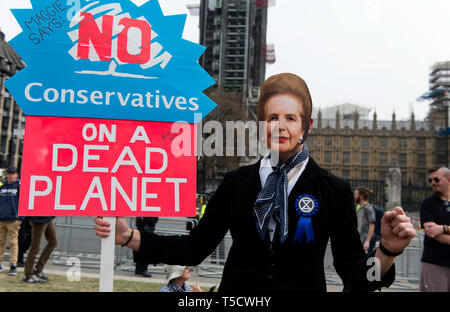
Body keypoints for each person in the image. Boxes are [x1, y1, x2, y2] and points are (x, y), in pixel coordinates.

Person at [95, 73, 416, 292]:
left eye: (291, 117)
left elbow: (355, 276)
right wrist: (130, 236)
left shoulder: (332, 189)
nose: (281, 126)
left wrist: (386, 252)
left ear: (308, 125)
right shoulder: (236, 184)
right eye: (272, 117)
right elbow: (194, 247)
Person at [419, 165, 450, 292]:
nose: (433, 183)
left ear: (448, 180)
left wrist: (443, 228)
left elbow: (439, 231)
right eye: (430, 180)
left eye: (436, 179)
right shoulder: (428, 203)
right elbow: (431, 232)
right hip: (435, 262)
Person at [0, 166, 22, 276]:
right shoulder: (2, 186)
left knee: (13, 243)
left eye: (12, 173)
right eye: (8, 173)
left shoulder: (19, 186)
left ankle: (13, 265)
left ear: (16, 175)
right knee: (0, 242)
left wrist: (21, 218)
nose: (10, 175)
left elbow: (23, 202)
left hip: (13, 219)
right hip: (1, 219)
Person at [22, 216, 57, 284]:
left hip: (47, 217)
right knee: (35, 247)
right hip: (38, 219)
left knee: (53, 242)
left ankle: (38, 268)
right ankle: (28, 274)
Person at [354, 187, 376, 254]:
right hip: (359, 240)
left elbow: (372, 225)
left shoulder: (368, 208)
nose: (354, 196)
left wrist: (367, 241)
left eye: (355, 194)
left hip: (366, 242)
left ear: (360, 196)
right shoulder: (358, 207)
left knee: (366, 262)